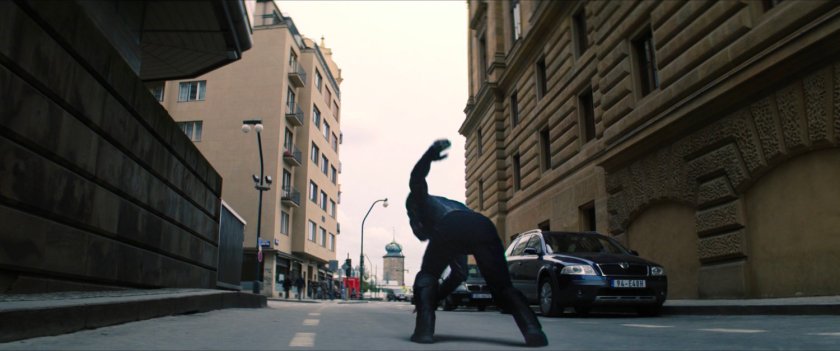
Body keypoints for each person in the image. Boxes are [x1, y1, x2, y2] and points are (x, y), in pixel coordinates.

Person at [405, 139, 548, 347]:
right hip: (483, 225)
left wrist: (429, 155)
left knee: (427, 276)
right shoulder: (454, 210)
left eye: (411, 216)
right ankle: (533, 330)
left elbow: (416, 179)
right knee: (503, 288)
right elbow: (459, 274)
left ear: (414, 210)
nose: (413, 223)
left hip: (451, 226)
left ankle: (424, 330)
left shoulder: (423, 202)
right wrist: (436, 298)